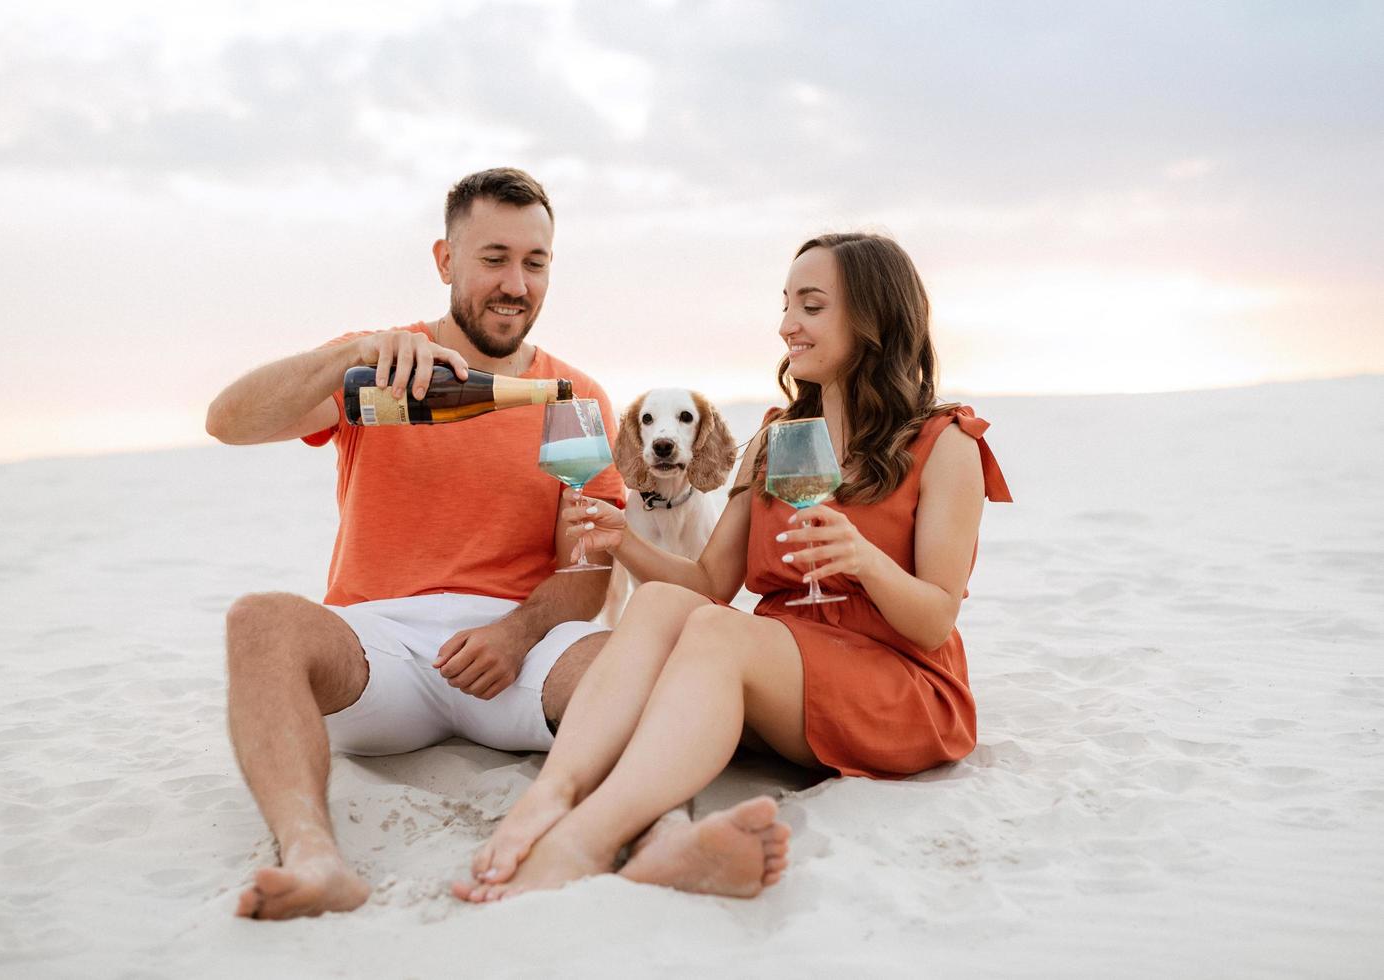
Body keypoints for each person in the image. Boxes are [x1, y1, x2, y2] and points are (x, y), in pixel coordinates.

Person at [451, 232, 1012, 902]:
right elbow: (709, 585)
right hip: (788, 669)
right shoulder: (777, 439)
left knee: (717, 633)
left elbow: (933, 621)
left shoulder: (946, 443)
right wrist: (619, 537)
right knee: (658, 605)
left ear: (873, 318)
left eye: (810, 307)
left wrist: (862, 559)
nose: (786, 326)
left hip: (896, 683)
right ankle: (549, 797)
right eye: (786, 306)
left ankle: (586, 840)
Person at [205, 168, 625, 920]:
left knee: (637, 659)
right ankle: (314, 858)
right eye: (494, 257)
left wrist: (517, 630)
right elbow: (227, 421)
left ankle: (647, 842)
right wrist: (351, 353)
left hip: (516, 652)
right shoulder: (379, 368)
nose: (516, 284)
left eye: (536, 262)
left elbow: (587, 569)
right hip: (379, 651)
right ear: (445, 261)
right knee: (257, 620)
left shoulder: (573, 399)